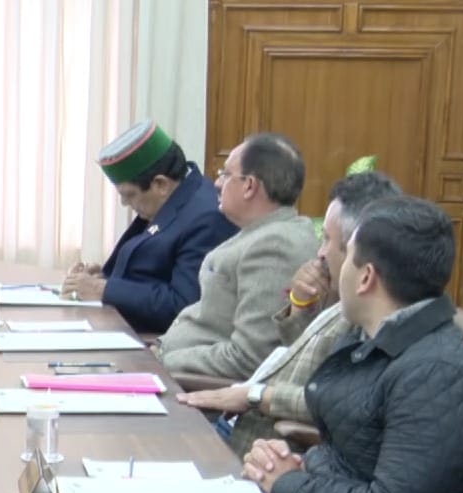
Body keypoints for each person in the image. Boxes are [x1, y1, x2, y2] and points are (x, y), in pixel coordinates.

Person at [243, 196, 463, 493]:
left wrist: (288, 485)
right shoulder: (371, 337)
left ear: (366, 277)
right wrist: (287, 465)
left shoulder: (437, 375)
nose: (325, 259)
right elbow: (351, 453)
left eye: (345, 253)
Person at [176, 172, 403, 455]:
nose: (320, 253)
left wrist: (255, 395)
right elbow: (303, 357)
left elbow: (341, 400)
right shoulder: (344, 300)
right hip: (239, 430)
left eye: (327, 240)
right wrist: (301, 304)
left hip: (260, 452)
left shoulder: (374, 313)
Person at [155, 133, 318, 379]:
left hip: (192, 387)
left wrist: (162, 362)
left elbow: (249, 358)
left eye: (225, 174)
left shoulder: (276, 246)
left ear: (249, 186)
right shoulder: (259, 231)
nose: (217, 183)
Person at [61, 120, 236, 333]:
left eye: (129, 194)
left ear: (160, 184)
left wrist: (104, 289)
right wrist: (103, 277)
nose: (124, 203)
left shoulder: (206, 218)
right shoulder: (176, 196)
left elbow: (182, 306)